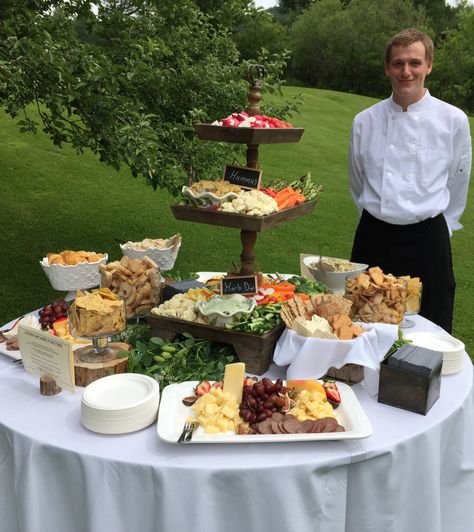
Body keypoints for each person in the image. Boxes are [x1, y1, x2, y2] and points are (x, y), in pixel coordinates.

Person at [348, 28, 471, 333]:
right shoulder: (365, 120)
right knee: (362, 326)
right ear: (388, 67)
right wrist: (373, 216)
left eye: (415, 63)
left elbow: (459, 179)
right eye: (398, 63)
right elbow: (357, 179)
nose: (406, 72)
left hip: (428, 241)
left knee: (431, 330)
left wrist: (444, 224)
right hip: (373, 238)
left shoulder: (453, 120)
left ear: (428, 65)